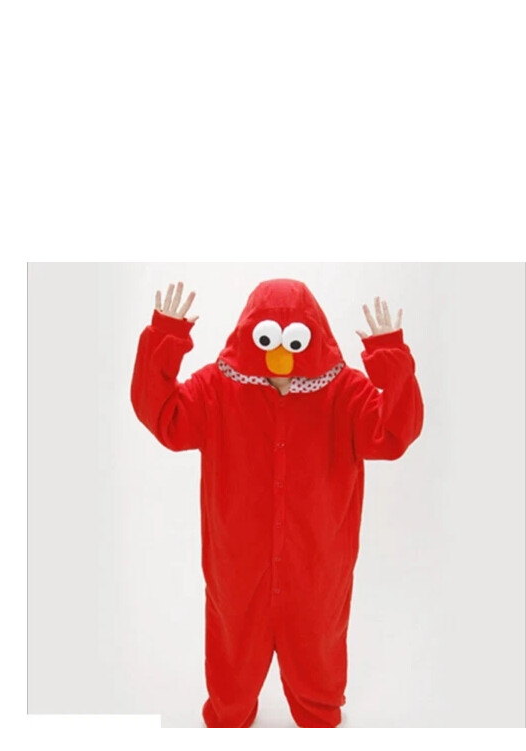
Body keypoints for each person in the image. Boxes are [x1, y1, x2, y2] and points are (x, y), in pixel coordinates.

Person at [130, 278, 424, 727]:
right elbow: (165, 417)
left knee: (318, 643)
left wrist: (391, 361)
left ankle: (318, 713)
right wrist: (164, 341)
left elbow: (394, 433)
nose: (281, 356)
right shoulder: (217, 389)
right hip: (237, 563)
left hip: (317, 563)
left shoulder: (344, 393)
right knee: (232, 646)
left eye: (293, 341)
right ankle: (230, 712)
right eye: (267, 339)